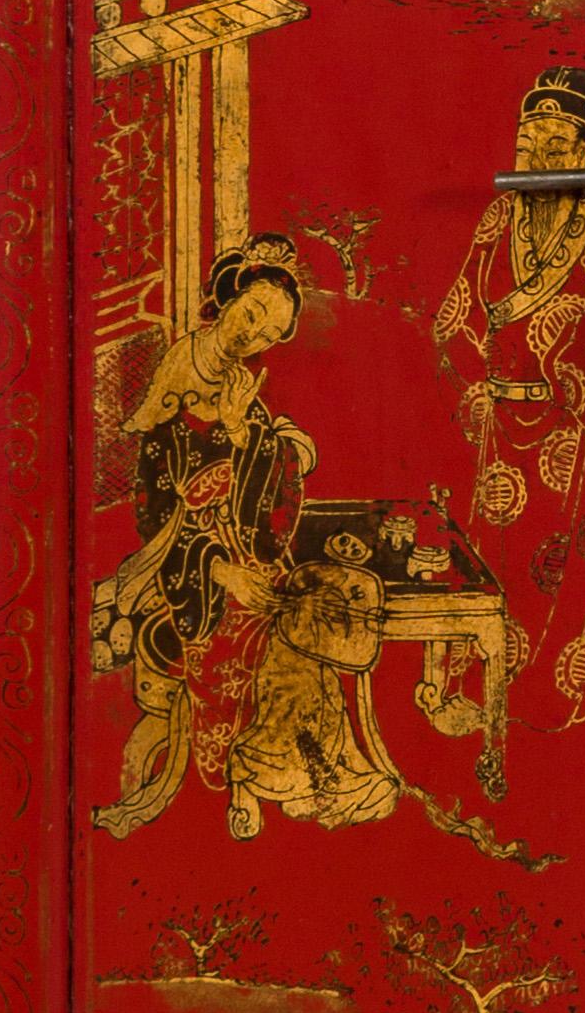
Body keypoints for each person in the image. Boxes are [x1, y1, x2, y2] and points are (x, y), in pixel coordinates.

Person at [431, 64, 585, 742]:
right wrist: (474, 388)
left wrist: (584, 322)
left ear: (583, 147)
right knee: (495, 565)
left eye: (554, 145)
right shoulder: (497, 215)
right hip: (507, 434)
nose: (537, 158)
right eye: (527, 143)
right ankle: (480, 692)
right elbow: (453, 316)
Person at [92, 233, 308, 834]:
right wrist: (218, 568)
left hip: (240, 550)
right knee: (247, 633)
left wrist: (252, 438)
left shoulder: (242, 388)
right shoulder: (179, 375)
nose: (255, 334)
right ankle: (235, 778)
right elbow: (156, 508)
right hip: (185, 563)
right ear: (229, 297)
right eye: (253, 314)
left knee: (303, 616)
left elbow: (266, 494)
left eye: (269, 333)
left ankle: (300, 770)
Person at [228, 508, 425, 839]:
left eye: (357, 549)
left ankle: (313, 787)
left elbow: (355, 649)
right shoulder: (301, 578)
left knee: (327, 707)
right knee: (287, 716)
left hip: (314, 675)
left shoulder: (342, 584)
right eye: (344, 543)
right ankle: (266, 784)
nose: (349, 551)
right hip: (281, 668)